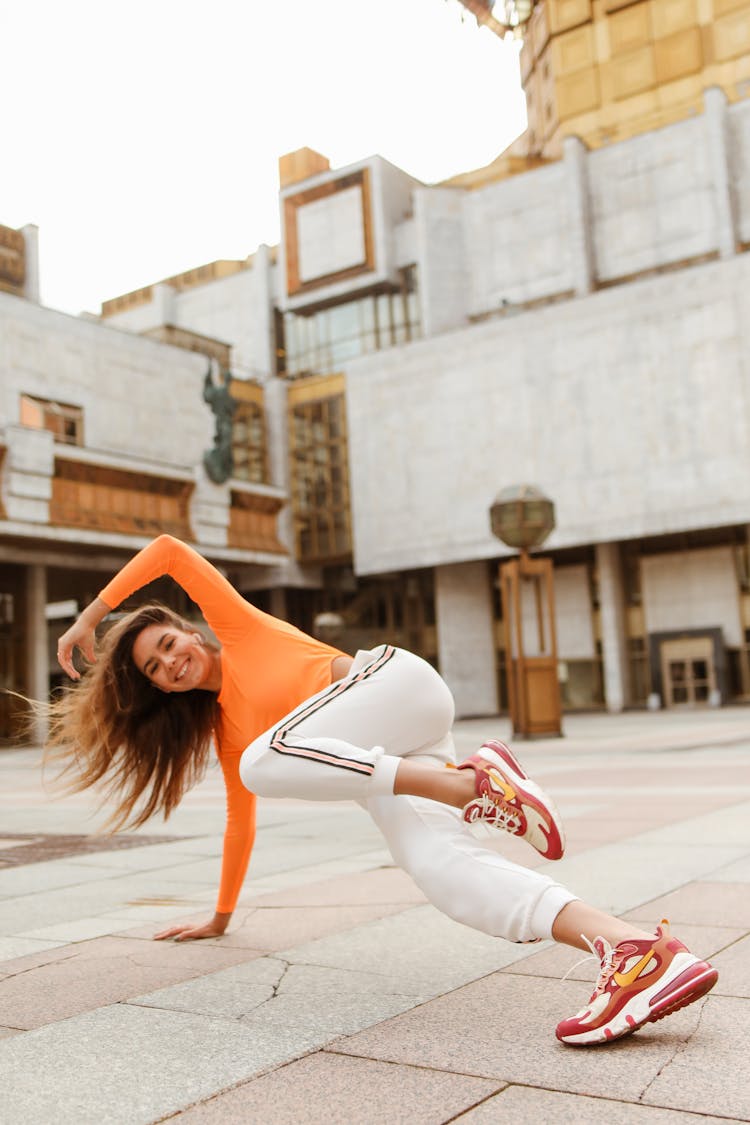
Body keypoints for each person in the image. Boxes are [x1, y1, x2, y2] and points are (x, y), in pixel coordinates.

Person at [52, 534, 717, 1046]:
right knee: (448, 875)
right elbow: (239, 822)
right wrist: (221, 917)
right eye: (156, 668)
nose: (170, 661)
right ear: (160, 689)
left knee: (265, 758)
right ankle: (635, 952)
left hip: (391, 684)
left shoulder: (239, 626)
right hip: (391, 752)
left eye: (168, 643)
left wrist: (92, 617)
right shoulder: (232, 733)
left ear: (191, 631)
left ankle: (467, 784)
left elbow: (170, 552)